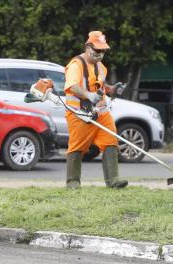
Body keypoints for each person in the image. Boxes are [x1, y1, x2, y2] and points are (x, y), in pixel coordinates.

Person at [64, 31, 128, 189]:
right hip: (79, 114)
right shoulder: (76, 65)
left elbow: (99, 86)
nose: (100, 54)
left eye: (103, 51)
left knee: (110, 141)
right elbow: (72, 86)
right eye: (98, 50)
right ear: (88, 47)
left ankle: (113, 181)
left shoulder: (101, 67)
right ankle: (73, 182)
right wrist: (88, 95)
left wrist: (112, 89)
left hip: (101, 113)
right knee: (77, 146)